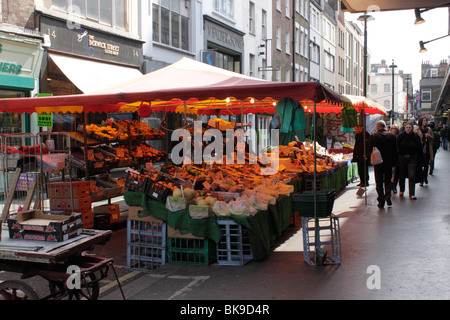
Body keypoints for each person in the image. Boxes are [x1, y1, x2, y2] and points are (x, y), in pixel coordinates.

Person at [372, 120, 397, 208]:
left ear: (378, 127)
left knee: (379, 182)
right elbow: (395, 150)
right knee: (388, 180)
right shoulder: (392, 136)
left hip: (378, 162)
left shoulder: (374, 136)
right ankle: (388, 197)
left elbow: (370, 149)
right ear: (385, 126)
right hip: (388, 162)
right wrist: (394, 162)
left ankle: (381, 200)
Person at [397, 122, 422, 200]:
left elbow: (419, 148)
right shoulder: (400, 136)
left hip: (412, 158)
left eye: (409, 127)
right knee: (402, 175)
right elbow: (397, 147)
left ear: (412, 128)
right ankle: (401, 190)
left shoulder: (416, 137)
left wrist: (420, 159)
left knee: (412, 175)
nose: (408, 129)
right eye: (407, 127)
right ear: (405, 128)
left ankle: (412, 193)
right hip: (402, 158)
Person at [414, 117, 434, 186]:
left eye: (426, 120)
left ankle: (425, 177)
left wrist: (429, 137)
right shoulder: (416, 129)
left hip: (427, 150)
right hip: (419, 150)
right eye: (424, 120)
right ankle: (421, 179)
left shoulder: (429, 129)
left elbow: (432, 138)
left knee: (426, 165)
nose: (425, 122)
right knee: (420, 165)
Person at [390, 125, 400, 193]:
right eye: (392, 128)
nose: (393, 130)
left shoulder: (399, 137)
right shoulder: (388, 136)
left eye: (395, 128)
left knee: (396, 173)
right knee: (390, 172)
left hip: (397, 157)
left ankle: (394, 187)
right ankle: (390, 186)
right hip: (390, 157)